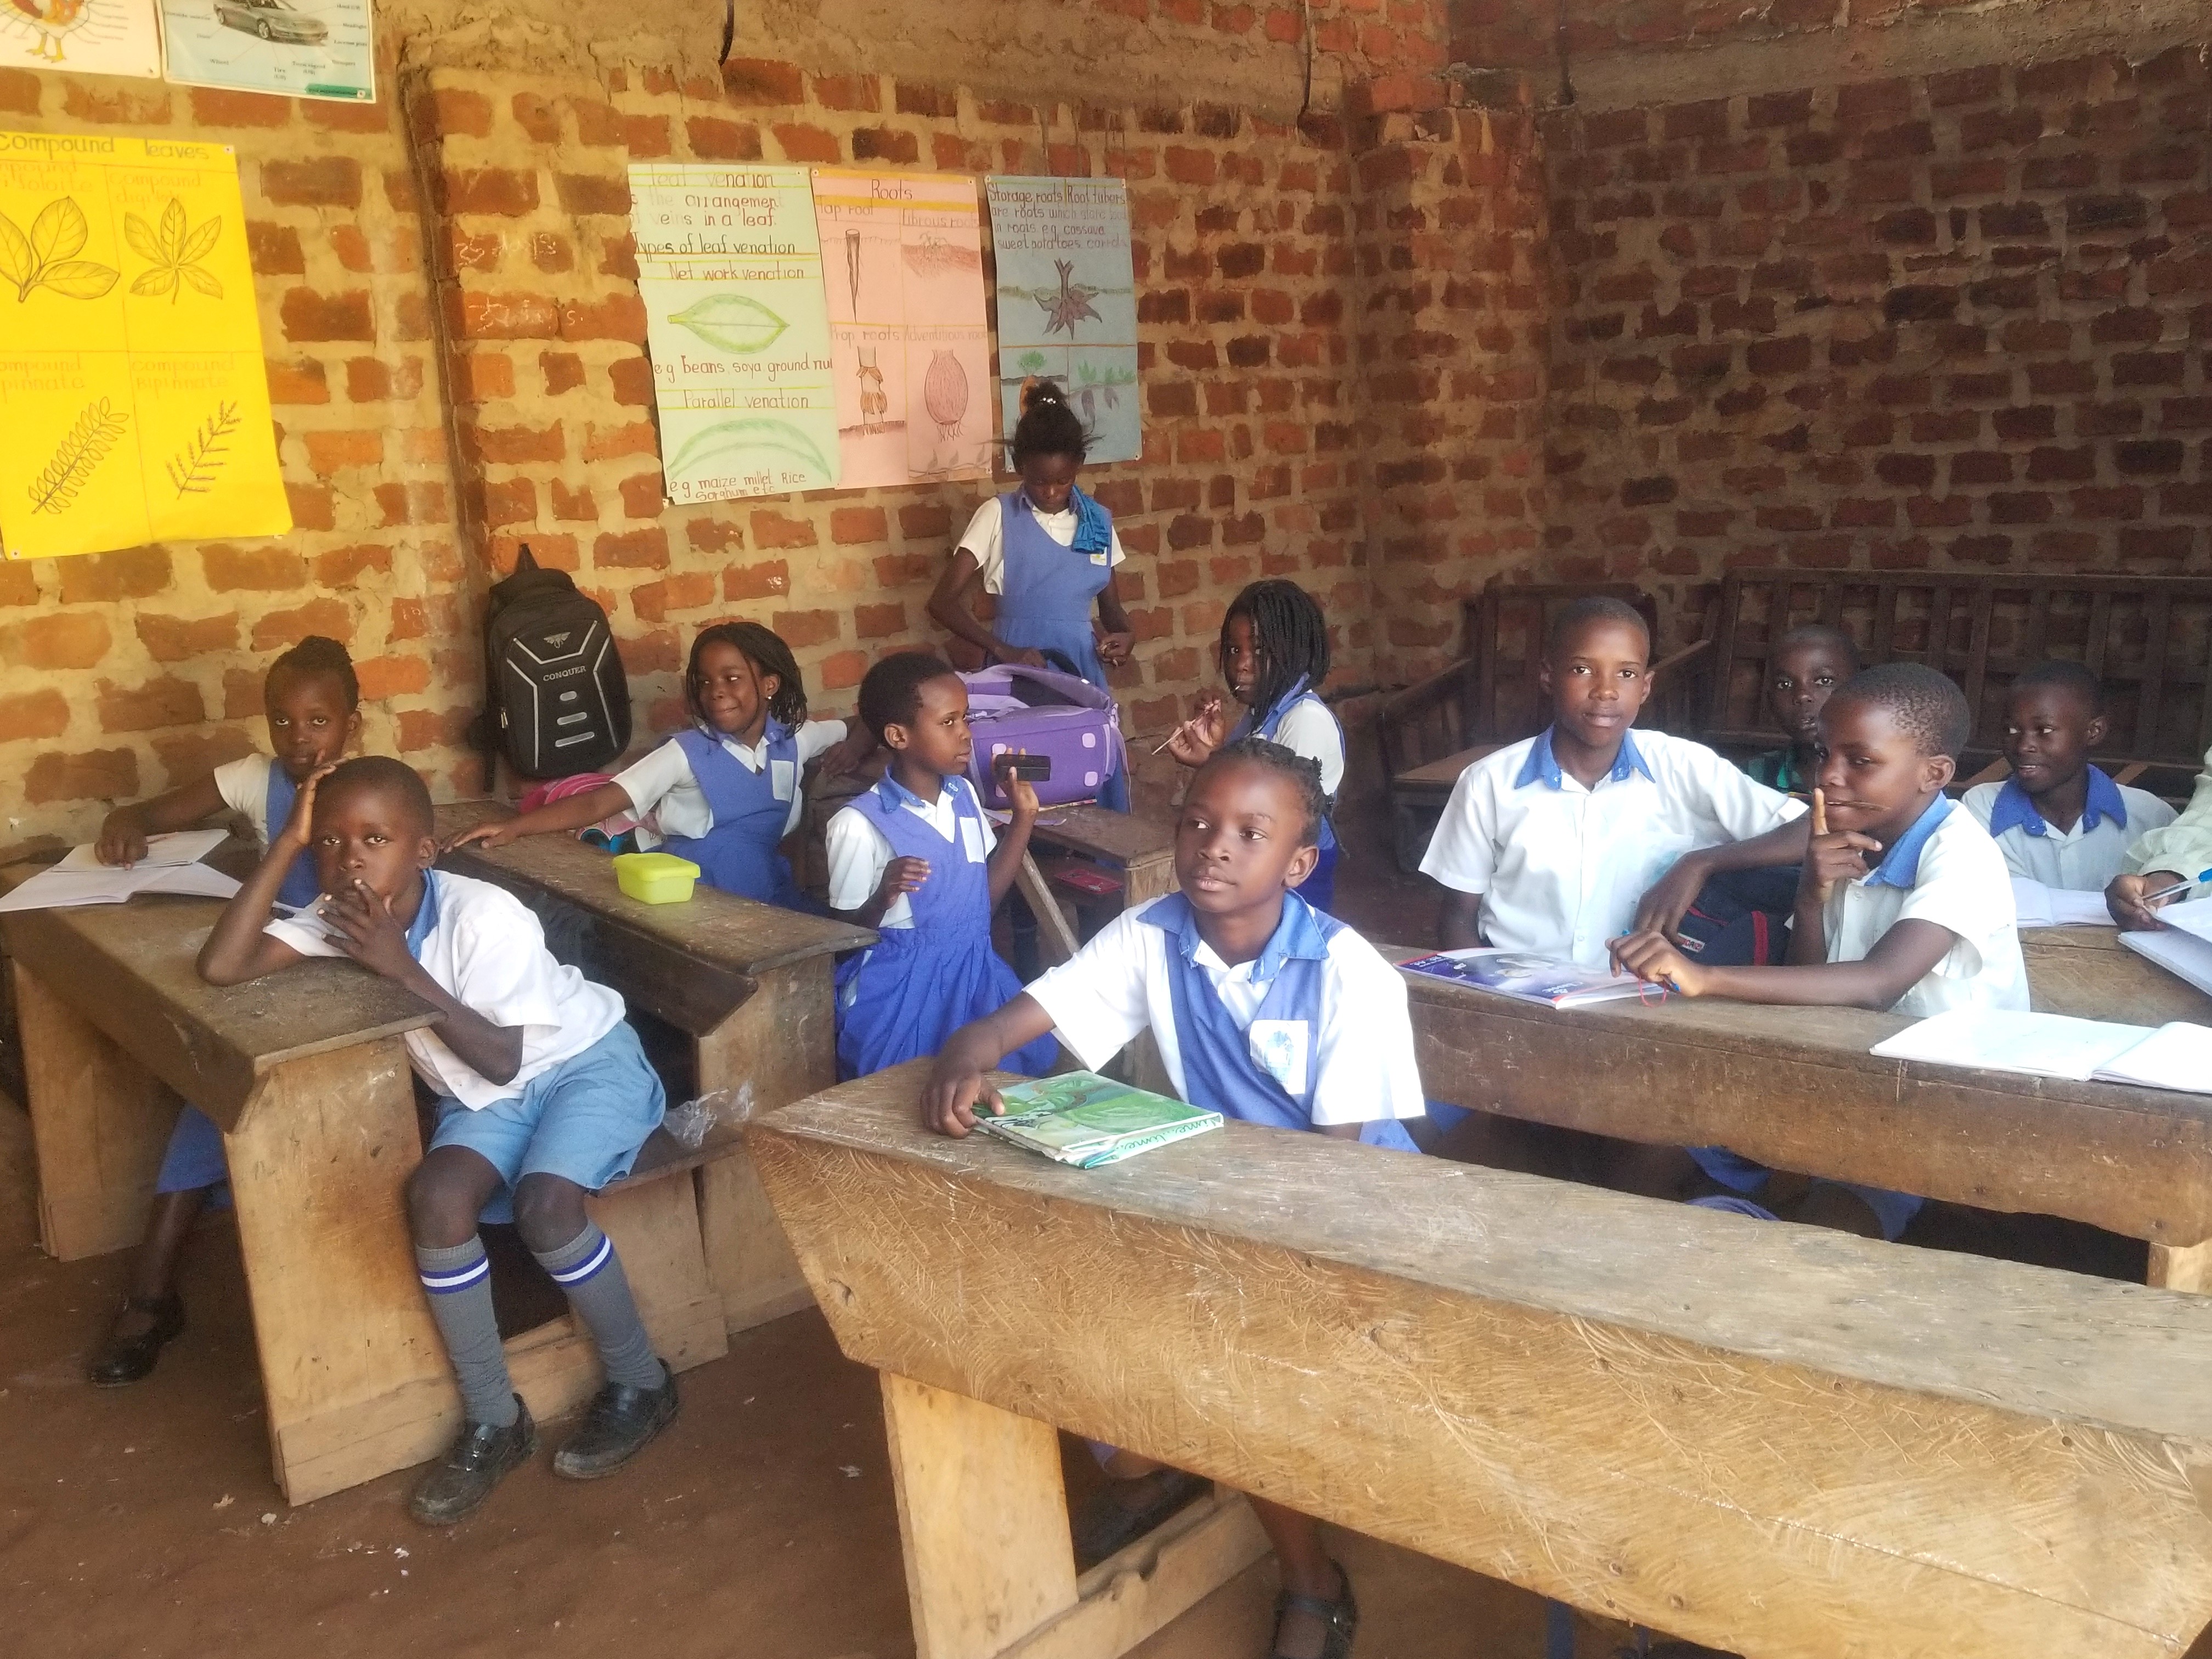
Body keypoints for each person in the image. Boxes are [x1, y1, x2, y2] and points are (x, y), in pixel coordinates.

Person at [921, 738, 1424, 1659]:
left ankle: (1312, 1578)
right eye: (1197, 822)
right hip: (1217, 1201)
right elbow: (1009, 1023)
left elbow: (1329, 1174)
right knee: (1077, 1334)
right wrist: (965, 1056)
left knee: (1233, 1368)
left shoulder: (1349, 973)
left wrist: (1211, 1258)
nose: (1214, 846)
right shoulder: (1149, 934)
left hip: (1349, 1216)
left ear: (1298, 863)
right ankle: (1160, 1462)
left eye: (1250, 833)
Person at [200, 757, 678, 1524]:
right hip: (486, 1091)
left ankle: (642, 1381)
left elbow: (503, 1057)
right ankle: (495, 1418)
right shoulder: (338, 917)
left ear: (422, 851)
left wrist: (398, 966)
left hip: (581, 1065)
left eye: (375, 839)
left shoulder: (482, 916)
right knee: (437, 1199)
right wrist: (285, 843)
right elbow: (224, 965)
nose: (349, 859)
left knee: (546, 1207)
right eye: (329, 842)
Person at [1611, 664, 2028, 1239]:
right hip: (1843, 1072)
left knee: (1835, 1219)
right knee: (1652, 1148)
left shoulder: (1962, 855)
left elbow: (1877, 984)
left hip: (1939, 1099)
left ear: (1933, 774)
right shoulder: (1848, 837)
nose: (1829, 776)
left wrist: (1703, 976)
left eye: (1861, 761)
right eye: (1825, 754)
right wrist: (1810, 899)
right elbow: (1810, 987)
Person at [84, 635, 362, 1387]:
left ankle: (151, 1297)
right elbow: (151, 809)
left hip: (357, 971)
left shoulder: (372, 788)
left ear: (353, 723)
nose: (299, 739)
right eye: (283, 721)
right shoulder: (252, 779)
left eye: (319, 721)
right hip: (271, 965)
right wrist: (127, 820)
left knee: (223, 1093)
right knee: (212, 1085)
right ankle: (151, 1293)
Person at [1419, 597, 1807, 968]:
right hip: (1519, 990)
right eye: (1582, 670)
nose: (1605, 690)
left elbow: (1811, 828)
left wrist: (1700, 863)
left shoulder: (1685, 767)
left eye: (1626, 674)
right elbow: (1457, 918)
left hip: (1640, 996)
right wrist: (1490, 995)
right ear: (1548, 676)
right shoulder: (1487, 783)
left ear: (1646, 686)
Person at [448, 621, 860, 909]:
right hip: (697, 897)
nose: (716, 692)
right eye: (705, 682)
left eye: (732, 678)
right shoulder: (686, 752)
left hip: (766, 890)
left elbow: (862, 722)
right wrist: (515, 827)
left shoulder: (794, 741)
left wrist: (858, 745)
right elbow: (598, 803)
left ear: (769, 685)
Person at [826, 653, 1056, 1081]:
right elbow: (840, 943)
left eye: (965, 718)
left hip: (975, 977)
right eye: (948, 722)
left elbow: (983, 903)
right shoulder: (857, 824)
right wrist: (883, 897)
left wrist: (1023, 819)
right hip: (902, 992)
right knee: (901, 1092)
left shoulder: (963, 796)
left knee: (995, 1089)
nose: (966, 733)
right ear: (898, 736)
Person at [927, 379, 1136, 810]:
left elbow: (1113, 611)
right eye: (1040, 482)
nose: (1052, 492)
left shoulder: (1098, 522)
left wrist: (1126, 638)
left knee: (1082, 781)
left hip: (1079, 676)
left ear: (1079, 465)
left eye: (1063, 481)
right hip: (1017, 676)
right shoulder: (998, 515)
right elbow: (942, 602)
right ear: (1020, 466)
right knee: (1022, 783)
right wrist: (1002, 649)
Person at [1165, 579, 1346, 912]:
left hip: (1293, 876)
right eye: (1235, 650)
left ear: (1297, 651)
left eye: (1260, 651)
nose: (1242, 664)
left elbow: (1277, 810)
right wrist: (1215, 755)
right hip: (1260, 869)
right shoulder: (1258, 716)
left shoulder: (1304, 719)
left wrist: (1213, 763)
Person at [1963, 660, 2174, 891]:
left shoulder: (2150, 817)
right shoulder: (1982, 809)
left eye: (2044, 730)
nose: (2023, 746)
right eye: (2012, 730)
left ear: (2094, 732)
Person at [1745, 625, 1860, 794]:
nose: (1802, 695)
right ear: (1770, 700)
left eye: (1824, 681)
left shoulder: (1883, 779)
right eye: (1785, 684)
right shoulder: (1752, 778)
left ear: (1859, 689)